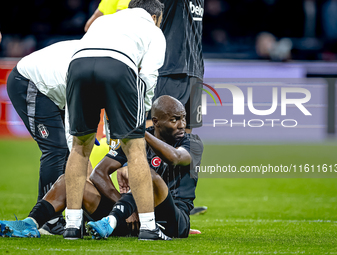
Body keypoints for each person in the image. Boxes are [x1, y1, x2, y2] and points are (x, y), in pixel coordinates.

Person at [0, 95, 203, 240]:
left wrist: (139, 133)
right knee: (68, 182)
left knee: (146, 175)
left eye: (183, 118)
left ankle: (114, 219)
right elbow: (99, 174)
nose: (181, 125)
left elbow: (176, 158)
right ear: (157, 121)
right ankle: (30, 224)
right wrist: (125, 209)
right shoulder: (136, 139)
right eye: (175, 119)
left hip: (174, 219)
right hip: (132, 216)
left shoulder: (192, 142)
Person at [64, 0, 166, 240]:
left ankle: (71, 225)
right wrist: (137, 119)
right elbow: (148, 78)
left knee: (79, 147)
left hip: (77, 65)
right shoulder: (154, 30)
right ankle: (150, 228)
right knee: (136, 150)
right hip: (118, 65)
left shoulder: (105, 20)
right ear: (155, 17)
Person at [5, 40, 80, 236]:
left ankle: (48, 217)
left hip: (52, 88)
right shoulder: (94, 66)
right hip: (30, 82)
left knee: (64, 151)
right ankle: (51, 220)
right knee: (57, 149)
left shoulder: (98, 54)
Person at [145, 0, 204, 133]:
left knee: (184, 131)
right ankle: (151, 155)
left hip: (189, 69)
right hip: (174, 67)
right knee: (159, 124)